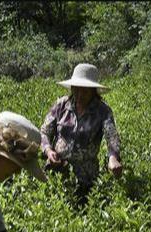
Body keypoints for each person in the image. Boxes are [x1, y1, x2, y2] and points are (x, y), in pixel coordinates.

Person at [40, 63, 123, 201]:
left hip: (86, 178)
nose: (79, 94)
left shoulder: (102, 111)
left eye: (84, 91)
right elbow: (44, 132)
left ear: (93, 91)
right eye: (76, 89)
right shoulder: (61, 105)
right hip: (57, 171)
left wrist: (113, 157)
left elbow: (112, 136)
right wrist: (48, 150)